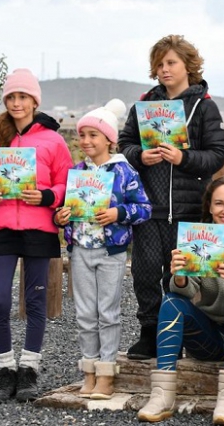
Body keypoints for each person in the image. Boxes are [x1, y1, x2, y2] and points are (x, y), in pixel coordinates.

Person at [118, 35, 224, 360]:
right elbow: (124, 143)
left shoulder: (204, 105)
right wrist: (140, 155)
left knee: (186, 276)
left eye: (171, 63)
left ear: (188, 66)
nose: (164, 69)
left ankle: (189, 333)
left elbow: (219, 153)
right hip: (150, 207)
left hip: (191, 207)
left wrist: (184, 159)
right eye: (160, 64)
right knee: (146, 271)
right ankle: (150, 332)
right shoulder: (145, 105)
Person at [137, 176, 224, 425]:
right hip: (211, 337)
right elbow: (188, 292)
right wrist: (179, 277)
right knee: (170, 300)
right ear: (209, 207)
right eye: (219, 203)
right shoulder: (198, 236)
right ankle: (162, 394)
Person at [0, 68, 73, 402]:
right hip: (2, 228)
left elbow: (66, 182)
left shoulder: (53, 140)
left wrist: (47, 197)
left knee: (35, 301)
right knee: (0, 300)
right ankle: (4, 370)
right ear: (6, 100)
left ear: (34, 100)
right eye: (12, 97)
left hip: (40, 229)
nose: (17, 103)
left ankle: (29, 370)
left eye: (23, 97)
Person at [54, 99, 152, 400]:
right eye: (82, 135)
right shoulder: (77, 171)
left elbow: (144, 208)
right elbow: (66, 208)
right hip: (80, 250)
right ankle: (89, 370)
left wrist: (118, 214)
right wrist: (60, 218)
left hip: (111, 252)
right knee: (84, 313)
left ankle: (107, 372)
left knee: (108, 312)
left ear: (109, 139)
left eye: (92, 135)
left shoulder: (124, 172)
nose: (85, 141)